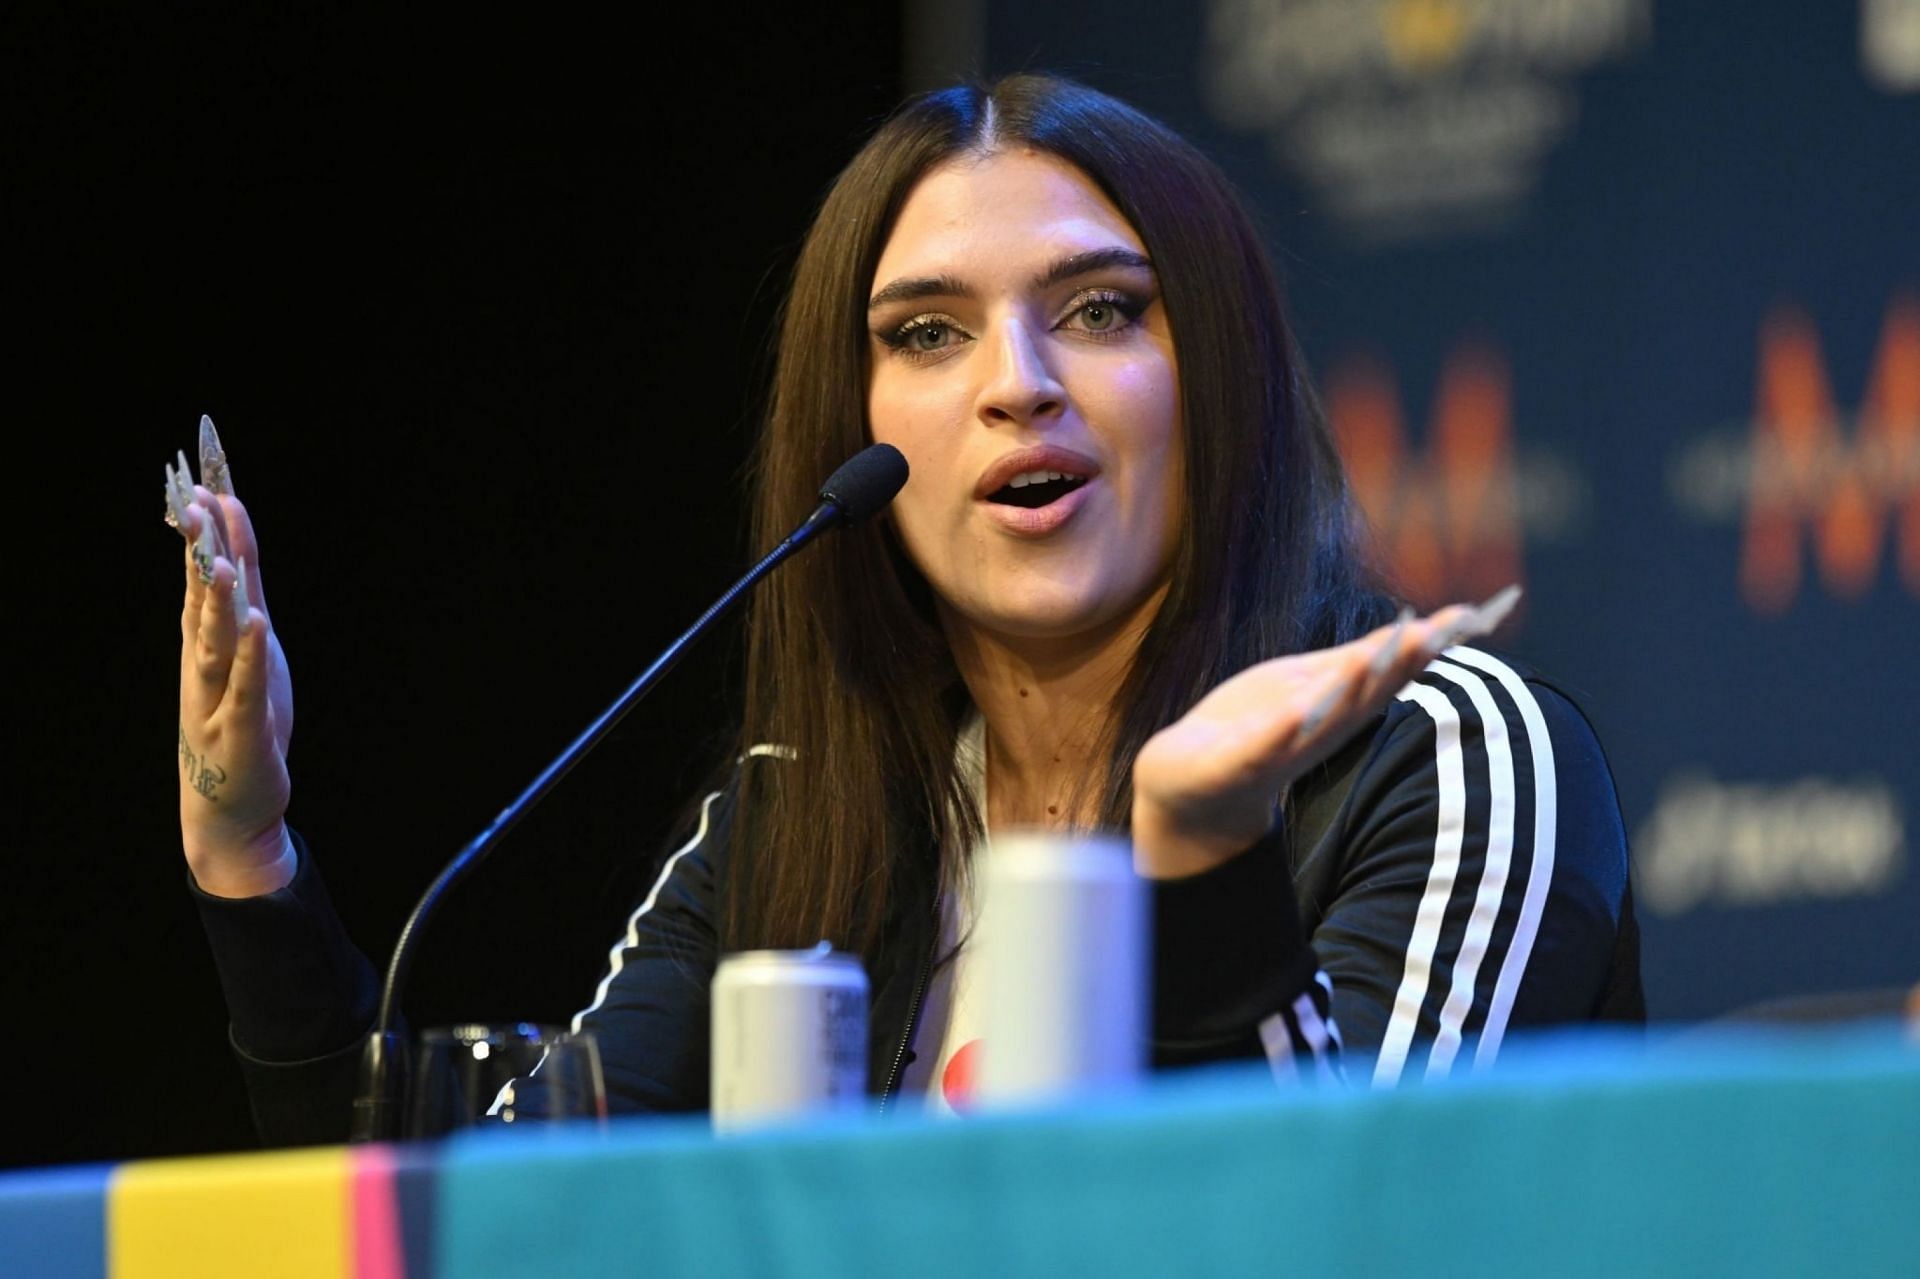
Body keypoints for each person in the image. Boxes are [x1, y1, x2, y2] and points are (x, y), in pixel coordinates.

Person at [167, 74, 1641, 1144]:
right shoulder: (805, 818)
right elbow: (483, 1201)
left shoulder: (1447, 757)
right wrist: (251, 864)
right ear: (859, 426)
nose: (1017, 382)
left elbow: (1356, 1230)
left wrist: (1206, 857)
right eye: (927, 334)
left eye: (1104, 309)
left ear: (1226, 381)